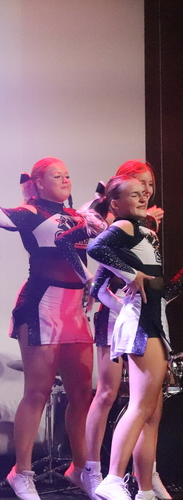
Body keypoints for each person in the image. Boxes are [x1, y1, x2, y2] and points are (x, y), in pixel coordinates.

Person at [0, 158, 94, 500]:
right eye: (57, 175)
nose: (66, 180)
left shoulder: (78, 217)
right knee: (37, 392)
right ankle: (22, 473)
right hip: (42, 305)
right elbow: (5, 218)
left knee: (81, 395)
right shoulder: (32, 212)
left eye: (68, 175)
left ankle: (80, 468)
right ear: (39, 182)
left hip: (75, 311)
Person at [88, 175, 182, 500]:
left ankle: (144, 490)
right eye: (134, 194)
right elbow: (95, 248)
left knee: (152, 413)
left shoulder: (145, 233)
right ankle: (112, 478)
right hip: (142, 323)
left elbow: (106, 288)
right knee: (141, 406)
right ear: (115, 204)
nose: (143, 198)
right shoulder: (124, 227)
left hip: (153, 319)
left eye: (144, 193)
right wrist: (131, 280)